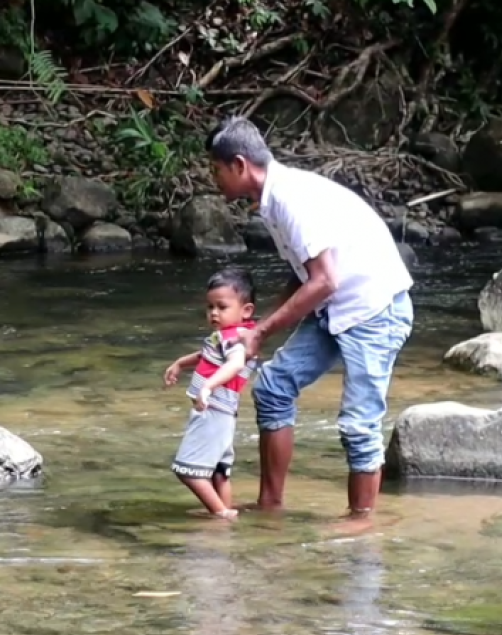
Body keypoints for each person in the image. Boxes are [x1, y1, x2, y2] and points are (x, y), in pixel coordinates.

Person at [203, 116, 414, 517]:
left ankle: (361, 524)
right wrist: (254, 329)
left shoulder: (290, 199)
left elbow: (324, 280)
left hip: (374, 310)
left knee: (359, 424)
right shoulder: (273, 197)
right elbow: (303, 272)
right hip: (336, 308)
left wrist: (262, 332)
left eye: (217, 170)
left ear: (240, 165)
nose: (215, 180)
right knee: (272, 387)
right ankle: (270, 506)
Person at [164, 267, 260, 520]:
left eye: (222, 306)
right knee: (219, 470)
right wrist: (180, 363)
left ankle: (220, 513)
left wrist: (207, 387)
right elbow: (204, 355)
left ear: (246, 310)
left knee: (188, 471)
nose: (214, 313)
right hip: (223, 413)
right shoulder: (226, 336)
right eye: (210, 307)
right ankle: (225, 510)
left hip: (213, 409)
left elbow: (235, 363)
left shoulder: (234, 340)